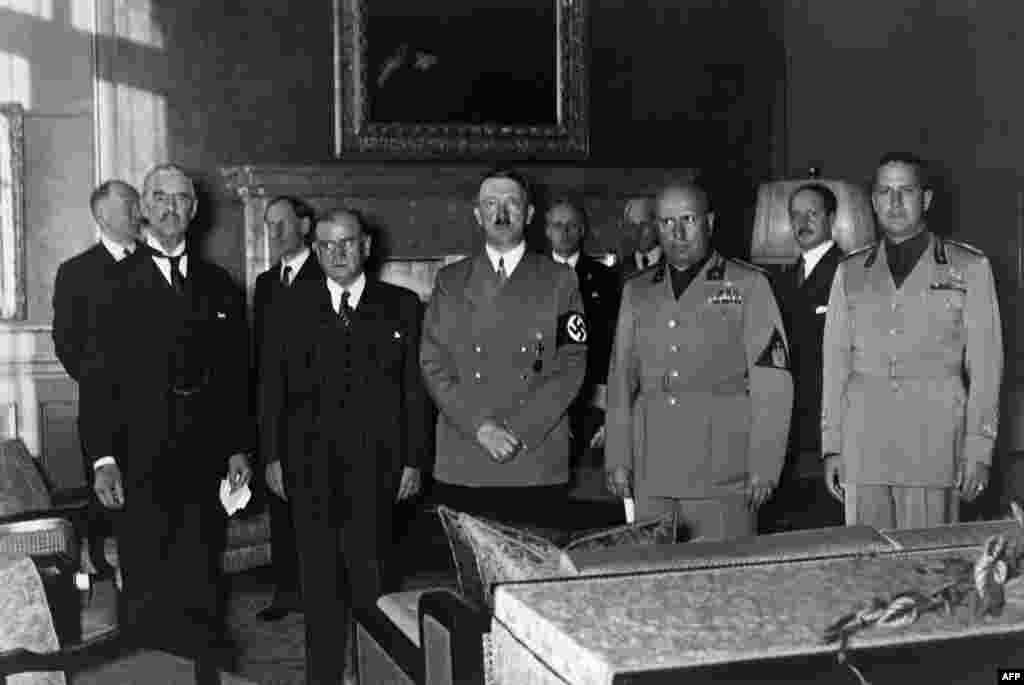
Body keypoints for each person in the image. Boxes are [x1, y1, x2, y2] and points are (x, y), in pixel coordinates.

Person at [83, 164, 252, 666]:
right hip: (138, 458)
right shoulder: (109, 285)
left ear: (194, 212)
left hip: (203, 459)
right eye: (160, 198)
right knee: (146, 582)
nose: (170, 208)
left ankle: (203, 673)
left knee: (201, 579)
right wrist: (103, 459)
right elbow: (97, 382)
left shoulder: (220, 284)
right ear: (143, 209)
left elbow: (236, 375)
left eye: (181, 199)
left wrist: (239, 444)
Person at [259, 208, 430, 685]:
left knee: (373, 584)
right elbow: (271, 388)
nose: (337, 252)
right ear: (315, 250)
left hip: (378, 468)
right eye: (327, 245)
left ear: (367, 246)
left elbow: (414, 392)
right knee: (319, 587)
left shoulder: (402, 305)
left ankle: (375, 676)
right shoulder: (290, 306)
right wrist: (272, 456)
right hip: (308, 468)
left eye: (347, 242)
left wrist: (414, 459)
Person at [822, 153, 1003, 529]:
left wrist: (978, 450)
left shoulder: (968, 267)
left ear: (927, 199)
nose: (895, 202)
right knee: (864, 567)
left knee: (929, 571)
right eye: (885, 192)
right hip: (864, 445)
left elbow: (986, 367)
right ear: (872, 202)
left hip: (934, 447)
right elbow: (835, 364)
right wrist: (833, 445)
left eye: (906, 191)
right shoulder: (851, 271)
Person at [605, 183, 792, 541]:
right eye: (666, 222)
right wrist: (618, 457)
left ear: (709, 221)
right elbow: (620, 380)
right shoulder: (638, 290)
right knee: (652, 581)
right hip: (652, 467)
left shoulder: (748, 285)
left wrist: (765, 466)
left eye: (688, 220)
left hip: (722, 470)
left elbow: (773, 383)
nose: (677, 233)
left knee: (720, 584)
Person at [421, 168, 588, 525]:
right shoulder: (451, 281)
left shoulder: (560, 280)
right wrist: (482, 428)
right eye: (491, 204)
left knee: (535, 573)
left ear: (528, 215)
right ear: (477, 215)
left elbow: (572, 364)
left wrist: (520, 430)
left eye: (511, 204)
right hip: (466, 456)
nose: (500, 214)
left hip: (534, 457)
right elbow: (434, 364)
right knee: (472, 574)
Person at [52, 180, 142, 577]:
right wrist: (101, 378)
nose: (138, 213)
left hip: (159, 411)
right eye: (129, 207)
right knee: (110, 506)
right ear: (102, 216)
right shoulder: (76, 272)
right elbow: (66, 343)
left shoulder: (154, 263)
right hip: (104, 410)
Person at [252, 196, 322, 622]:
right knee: (281, 505)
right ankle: (286, 591)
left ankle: (322, 591)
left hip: (318, 415)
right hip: (277, 415)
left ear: (306, 226)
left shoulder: (329, 272)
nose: (274, 234)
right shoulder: (265, 284)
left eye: (282, 224)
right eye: (269, 226)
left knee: (318, 508)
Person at [760, 183, 845, 532]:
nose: (802, 222)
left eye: (812, 213)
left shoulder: (848, 272)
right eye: (795, 214)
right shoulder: (779, 278)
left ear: (831, 218)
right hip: (787, 429)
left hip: (825, 430)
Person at [544, 197, 620, 474]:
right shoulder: (530, 277)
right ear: (546, 230)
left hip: (595, 403)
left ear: (583, 230)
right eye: (557, 225)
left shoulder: (608, 279)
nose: (564, 232)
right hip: (545, 406)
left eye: (572, 225)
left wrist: (613, 413)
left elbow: (618, 347)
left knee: (591, 491)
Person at [616, 197, 663, 282]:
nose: (637, 232)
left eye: (643, 225)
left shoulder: (674, 265)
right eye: (632, 226)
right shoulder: (620, 270)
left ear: (656, 225)